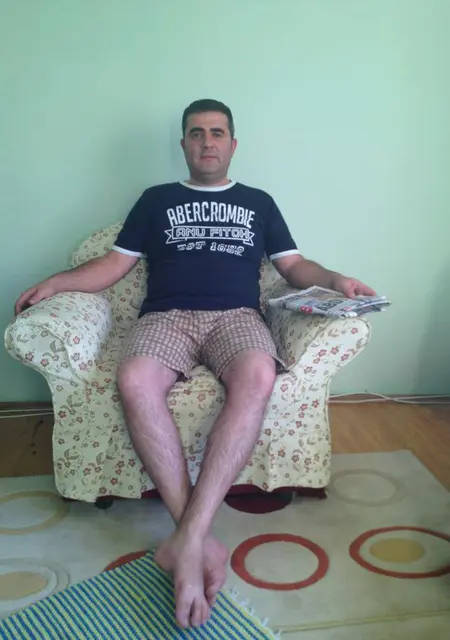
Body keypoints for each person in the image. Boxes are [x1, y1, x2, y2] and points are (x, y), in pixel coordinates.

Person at [15, 99, 376, 628]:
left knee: (258, 374)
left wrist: (336, 280)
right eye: (197, 132)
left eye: (217, 132)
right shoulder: (156, 200)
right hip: (167, 316)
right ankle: (195, 539)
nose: (207, 141)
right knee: (134, 378)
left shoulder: (258, 202)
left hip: (236, 317)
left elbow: (295, 266)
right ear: (183, 144)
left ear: (233, 144)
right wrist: (58, 282)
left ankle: (184, 542)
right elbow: (113, 265)